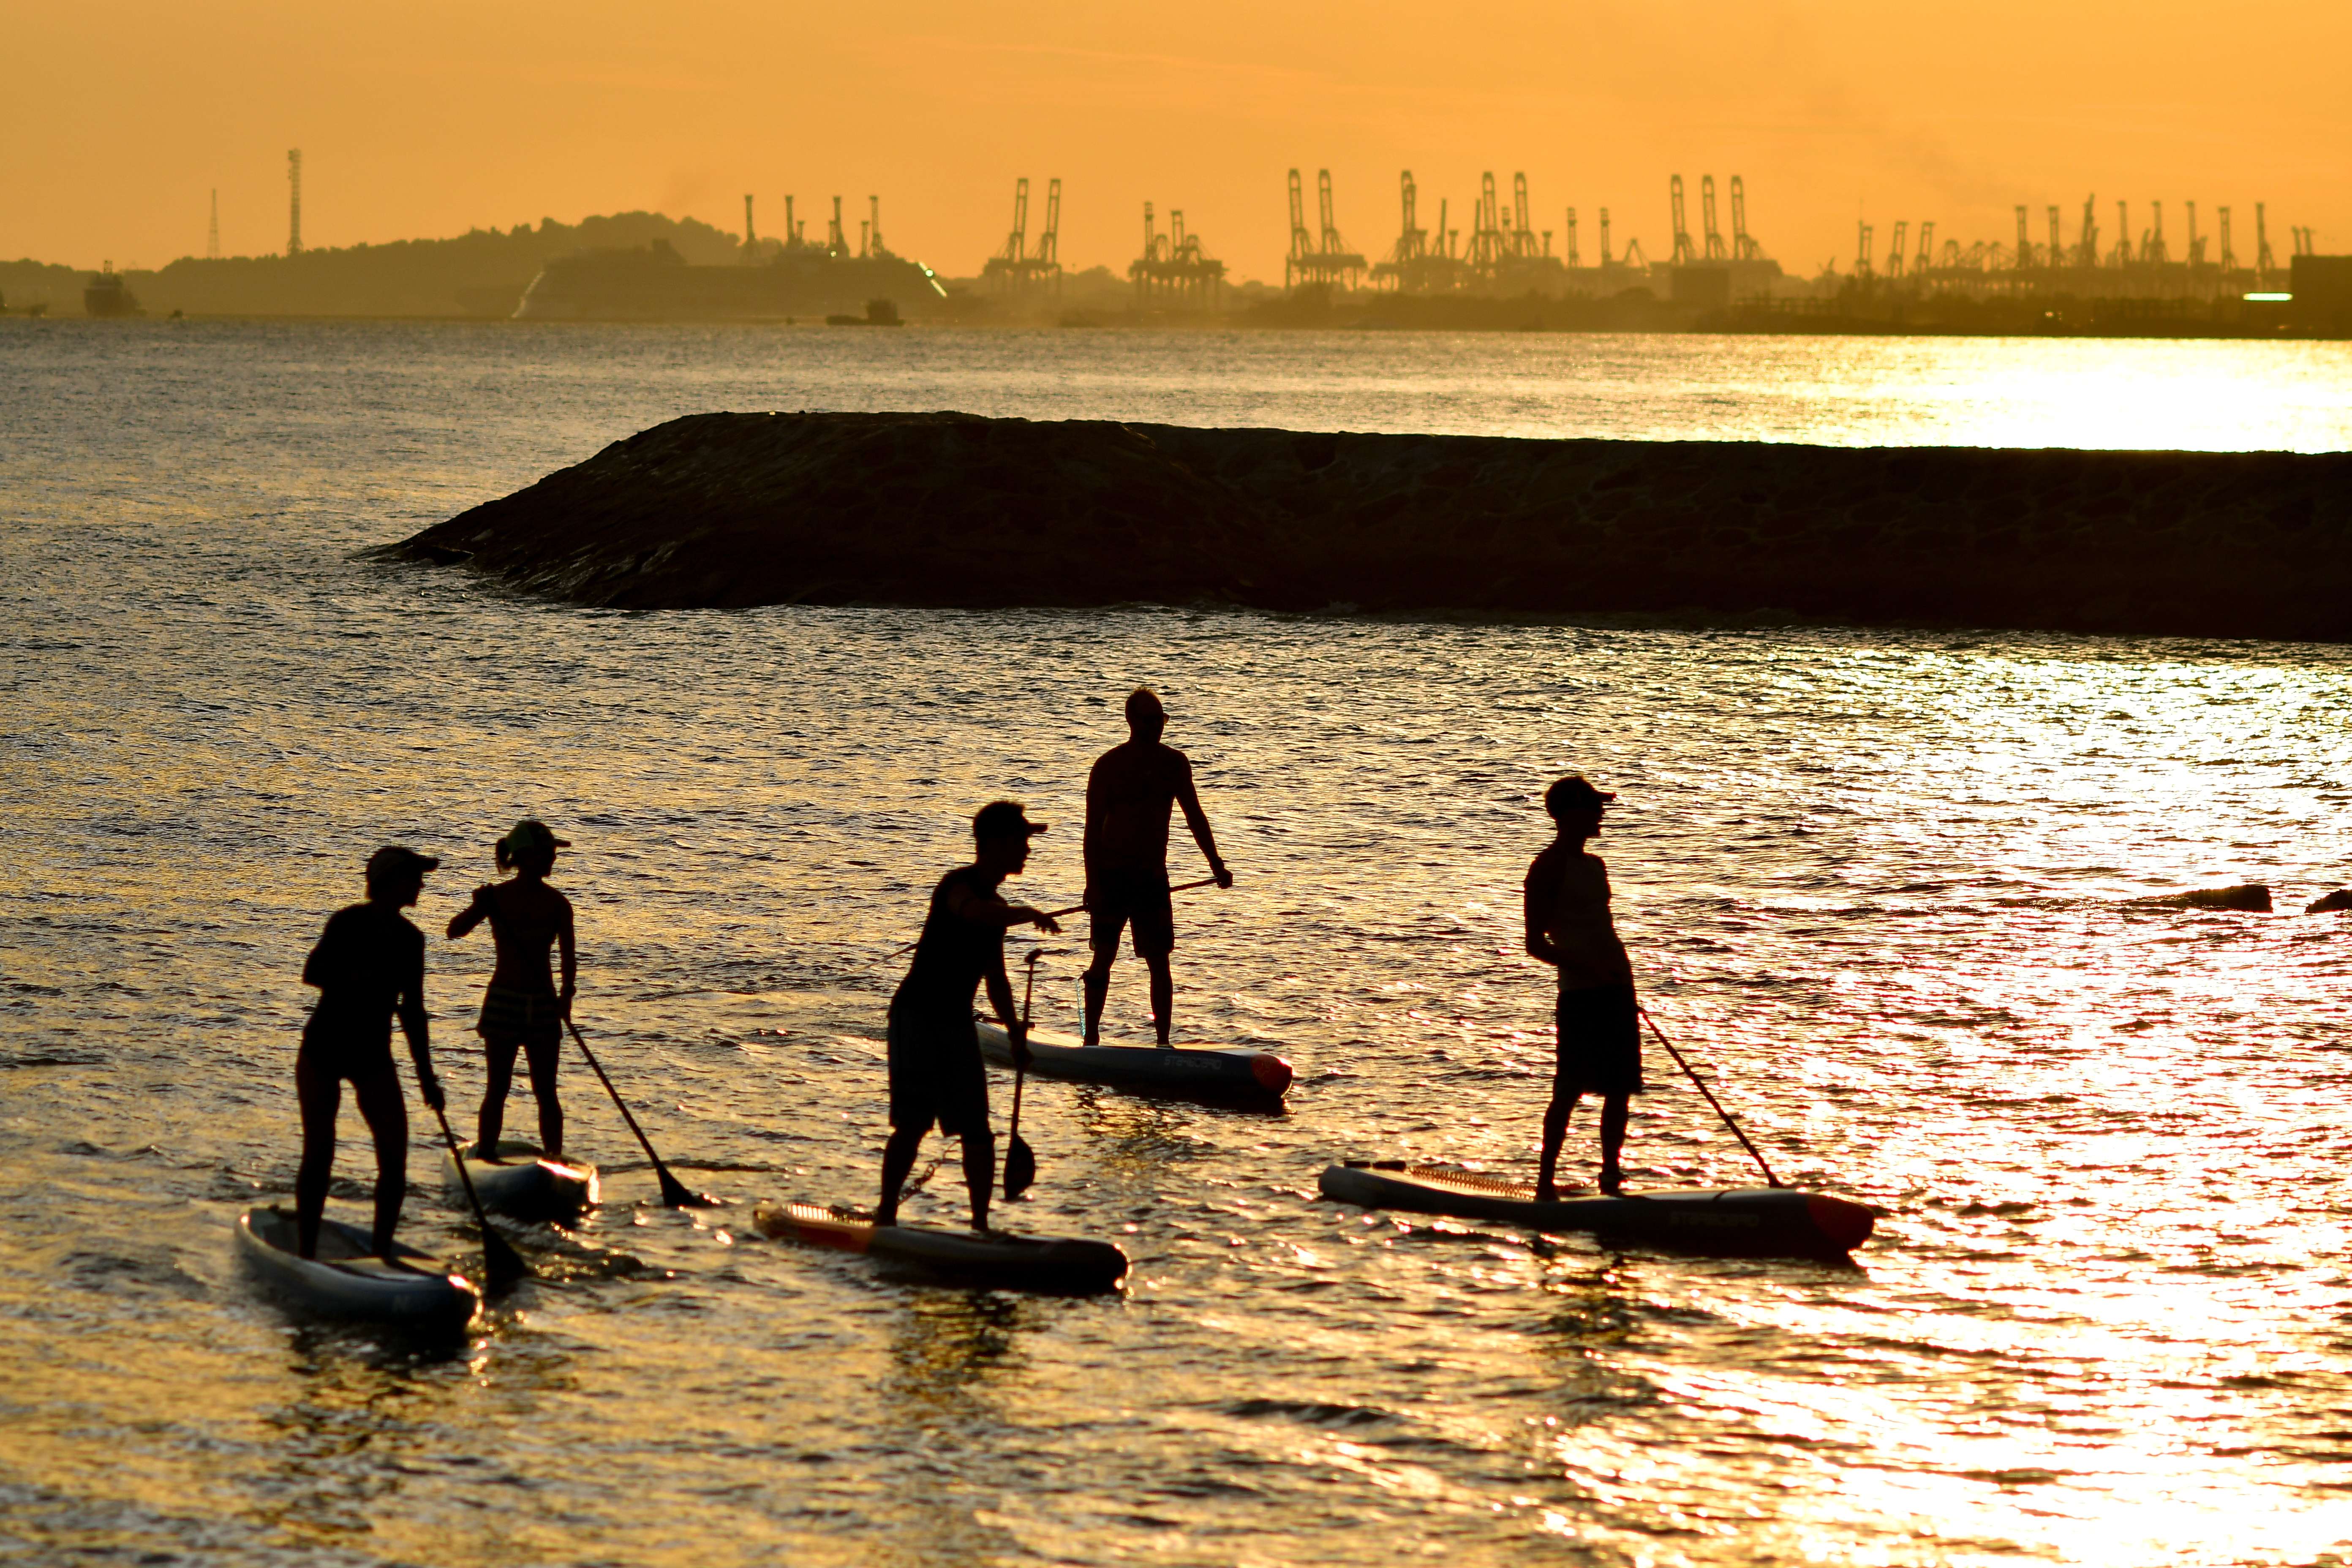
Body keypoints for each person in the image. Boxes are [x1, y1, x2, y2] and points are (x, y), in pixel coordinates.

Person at [878, 801, 1060, 1231]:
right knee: (914, 1123)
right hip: (918, 1016)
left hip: (957, 1021)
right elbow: (972, 912)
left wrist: (1016, 1032)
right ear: (995, 844)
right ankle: (885, 1216)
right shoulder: (956, 886)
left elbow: (995, 979)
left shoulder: (997, 903)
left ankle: (980, 1225)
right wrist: (1027, 914)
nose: (1027, 850)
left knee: (978, 1130)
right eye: (1021, 840)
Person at [295, 845, 446, 1259]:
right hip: (324, 1046)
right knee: (320, 1152)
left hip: (372, 1053)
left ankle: (382, 1255)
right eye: (414, 876)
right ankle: (306, 1252)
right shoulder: (347, 922)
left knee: (395, 1157)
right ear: (391, 881)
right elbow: (314, 971)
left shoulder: (412, 940)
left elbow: (414, 1012)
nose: (420, 884)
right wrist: (358, 978)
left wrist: (427, 1077)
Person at [1081, 687, 1233, 1047]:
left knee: (1160, 962)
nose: (1157, 727)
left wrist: (1216, 864)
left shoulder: (1174, 764)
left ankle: (1163, 1042)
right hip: (1112, 876)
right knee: (1104, 958)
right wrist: (1093, 884)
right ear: (1132, 722)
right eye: (1150, 721)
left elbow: (1195, 817)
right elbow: (1091, 831)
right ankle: (1090, 1041)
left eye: (1161, 720)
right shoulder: (1108, 766)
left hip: (1152, 878)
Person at [1523, 775, 1642, 1198]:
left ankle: (1611, 1173)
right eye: (1594, 807)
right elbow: (1536, 943)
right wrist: (1589, 967)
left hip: (1617, 986)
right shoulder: (1548, 867)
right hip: (1581, 992)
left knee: (1620, 1086)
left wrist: (1616, 975)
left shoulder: (1596, 865)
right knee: (1569, 1088)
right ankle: (1545, 1182)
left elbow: (1602, 929)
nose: (1601, 814)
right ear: (1572, 813)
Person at [446, 819, 577, 1157]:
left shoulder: (559, 904)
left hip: (544, 1004)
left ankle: (554, 1159)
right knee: (498, 1089)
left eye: (552, 854)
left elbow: (569, 960)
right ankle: (487, 1157)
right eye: (547, 854)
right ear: (524, 857)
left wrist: (566, 998)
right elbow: (454, 931)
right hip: (506, 1001)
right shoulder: (497, 899)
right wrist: (479, 906)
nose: (552, 860)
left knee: (546, 1091)